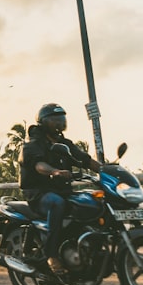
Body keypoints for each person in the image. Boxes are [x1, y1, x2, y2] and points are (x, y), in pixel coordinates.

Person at [19, 103, 101, 275]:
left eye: (61, 119)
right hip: (39, 194)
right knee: (57, 203)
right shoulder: (33, 145)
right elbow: (39, 165)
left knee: (92, 202)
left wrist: (107, 171)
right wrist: (54, 171)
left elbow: (85, 160)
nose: (59, 124)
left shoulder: (64, 144)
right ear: (44, 123)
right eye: (54, 120)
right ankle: (52, 255)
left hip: (62, 191)